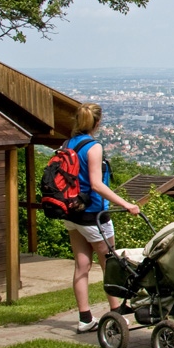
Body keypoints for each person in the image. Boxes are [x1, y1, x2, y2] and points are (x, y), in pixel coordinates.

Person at [65, 103, 141, 333]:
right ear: (97, 123)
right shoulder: (93, 147)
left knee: (82, 266)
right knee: (110, 266)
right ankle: (117, 314)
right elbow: (97, 184)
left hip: (72, 212)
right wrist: (126, 204)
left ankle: (85, 317)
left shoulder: (67, 144)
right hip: (94, 214)